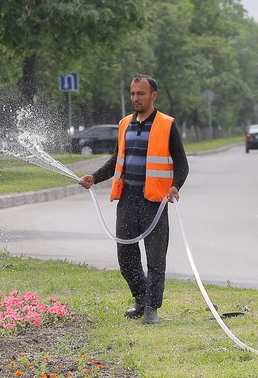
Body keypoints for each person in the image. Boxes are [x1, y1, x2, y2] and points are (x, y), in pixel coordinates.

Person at [78, 74, 189, 325]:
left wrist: (175, 186)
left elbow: (182, 165)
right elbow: (116, 160)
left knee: (155, 258)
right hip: (127, 199)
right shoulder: (125, 124)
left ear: (153, 96)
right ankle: (140, 298)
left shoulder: (167, 125)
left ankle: (152, 308)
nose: (135, 98)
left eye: (140, 93)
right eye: (132, 93)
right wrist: (94, 178)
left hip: (155, 202)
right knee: (126, 256)